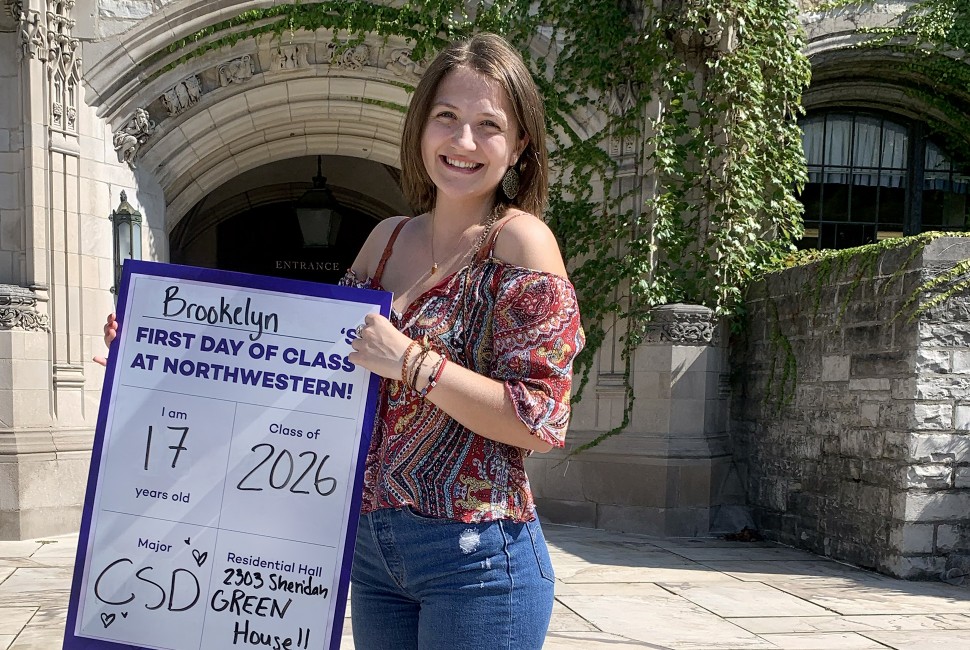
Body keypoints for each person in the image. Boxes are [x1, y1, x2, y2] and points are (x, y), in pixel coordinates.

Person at [99, 32, 584, 650]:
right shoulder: (384, 240)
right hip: (371, 554)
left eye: (488, 125)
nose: (463, 141)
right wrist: (158, 346)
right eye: (447, 117)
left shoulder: (522, 242)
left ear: (519, 146)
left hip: (477, 559)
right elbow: (309, 370)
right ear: (420, 128)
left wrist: (411, 362)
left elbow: (541, 419)